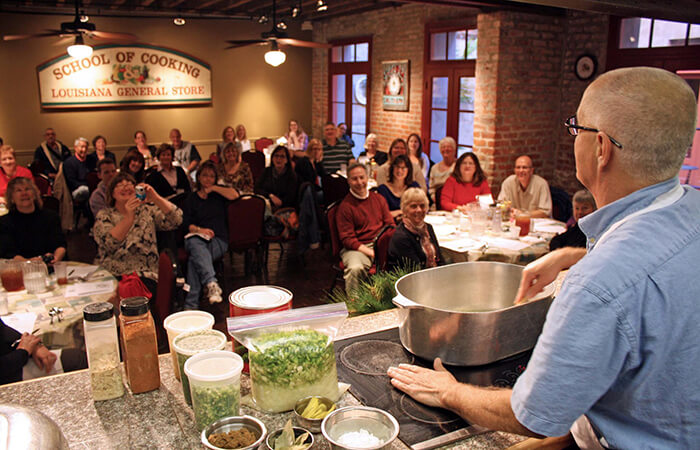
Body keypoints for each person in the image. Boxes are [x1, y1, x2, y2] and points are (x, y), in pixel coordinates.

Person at [387, 67, 700, 449]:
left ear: (600, 147)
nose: (574, 138)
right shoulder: (691, 207)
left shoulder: (599, 283)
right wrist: (573, 255)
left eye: (576, 128)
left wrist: (449, 392)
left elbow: (535, 415)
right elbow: (652, 262)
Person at [93, 172, 182, 296]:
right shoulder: (105, 215)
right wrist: (129, 217)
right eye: (119, 185)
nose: (125, 187)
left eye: (129, 184)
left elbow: (177, 219)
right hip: (111, 275)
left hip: (143, 275)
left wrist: (156, 198)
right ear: (112, 193)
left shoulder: (147, 211)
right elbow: (109, 243)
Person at [182, 161, 239, 308]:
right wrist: (199, 230)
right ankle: (211, 283)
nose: (208, 179)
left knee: (194, 260)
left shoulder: (218, 195)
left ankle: (191, 304)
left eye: (212, 176)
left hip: (217, 239)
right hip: (196, 237)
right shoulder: (191, 198)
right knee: (195, 244)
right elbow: (185, 223)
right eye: (205, 175)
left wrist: (214, 188)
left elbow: (234, 195)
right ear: (198, 177)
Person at [336, 163, 393, 293]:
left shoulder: (379, 199)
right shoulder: (345, 207)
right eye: (354, 179)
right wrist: (373, 253)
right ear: (348, 181)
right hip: (357, 248)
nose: (359, 182)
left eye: (362, 177)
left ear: (367, 178)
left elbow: (390, 226)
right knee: (355, 269)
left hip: (380, 244)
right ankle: (355, 308)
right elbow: (347, 239)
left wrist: (383, 247)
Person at [0, 177, 66, 262]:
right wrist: (30, 263)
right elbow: (8, 252)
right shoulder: (5, 222)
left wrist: (56, 258)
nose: (24, 193)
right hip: (19, 269)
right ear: (11, 198)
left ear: (34, 194)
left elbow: (60, 244)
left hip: (52, 267)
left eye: (27, 189)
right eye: (18, 190)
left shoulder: (51, 217)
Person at [387, 188, 443, 271]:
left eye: (422, 206)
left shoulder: (428, 228)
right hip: (411, 279)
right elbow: (415, 271)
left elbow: (439, 259)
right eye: (413, 206)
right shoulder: (401, 237)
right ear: (404, 209)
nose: (419, 210)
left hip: (430, 274)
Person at [1, 319, 55, 385]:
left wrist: (32, 344)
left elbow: (3, 330)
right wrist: (23, 352)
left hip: (16, 359)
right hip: (10, 375)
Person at [255, 146, 298, 210]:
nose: (278, 159)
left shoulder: (291, 175)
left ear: (286, 160)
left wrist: (280, 202)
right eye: (276, 156)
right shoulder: (266, 171)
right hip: (267, 205)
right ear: (272, 158)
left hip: (285, 209)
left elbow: (291, 197)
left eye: (282, 156)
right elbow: (257, 188)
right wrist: (270, 195)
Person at [428, 136, 457, 204]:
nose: (446, 149)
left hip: (454, 202)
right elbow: (431, 187)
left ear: (454, 149)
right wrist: (434, 197)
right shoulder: (434, 168)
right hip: (438, 202)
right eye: (443, 147)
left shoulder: (458, 166)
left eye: (448, 147)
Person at [62, 137, 90, 203]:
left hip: (90, 187)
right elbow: (71, 182)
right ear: (75, 148)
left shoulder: (91, 160)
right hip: (77, 190)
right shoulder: (69, 162)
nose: (84, 149)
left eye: (86, 147)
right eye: (82, 147)